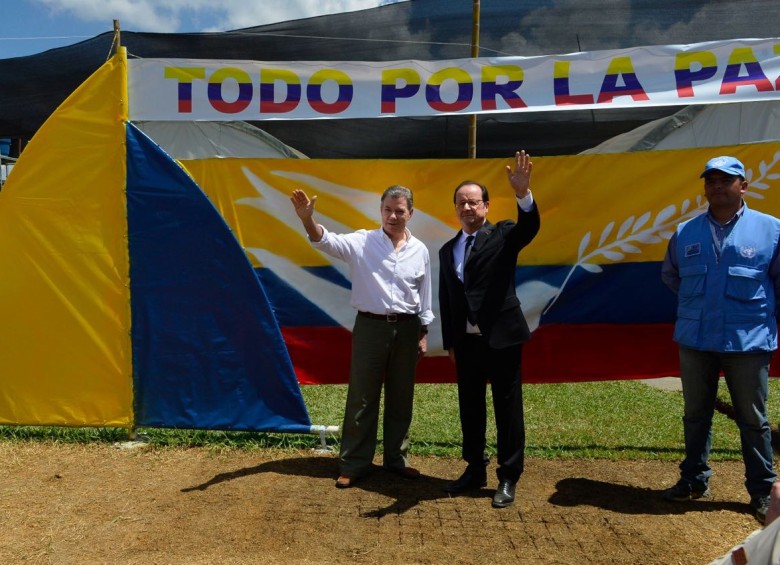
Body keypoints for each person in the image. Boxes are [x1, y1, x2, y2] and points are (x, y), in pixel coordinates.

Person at [290, 184, 434, 489]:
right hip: (371, 327)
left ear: (411, 213)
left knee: (401, 395)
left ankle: (397, 460)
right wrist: (306, 219)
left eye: (400, 210)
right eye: (387, 210)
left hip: (408, 329)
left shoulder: (419, 250)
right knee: (363, 397)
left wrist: (423, 331)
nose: (393, 216)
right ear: (380, 211)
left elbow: (424, 294)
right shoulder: (362, 241)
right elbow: (324, 240)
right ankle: (354, 463)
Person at [661, 155, 780, 523]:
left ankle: (762, 491)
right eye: (710, 180)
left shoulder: (771, 230)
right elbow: (672, 276)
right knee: (695, 415)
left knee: (753, 419)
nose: (717, 186)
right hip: (696, 340)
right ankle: (694, 480)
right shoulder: (685, 232)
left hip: (747, 341)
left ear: (743, 185)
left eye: (726, 180)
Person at [438, 150, 541, 508]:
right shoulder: (447, 249)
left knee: (507, 409)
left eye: (474, 202)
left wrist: (523, 194)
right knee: (470, 407)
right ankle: (474, 468)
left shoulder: (503, 234)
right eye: (461, 203)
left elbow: (529, 228)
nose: (468, 208)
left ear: (486, 206)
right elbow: (448, 299)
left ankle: (508, 476)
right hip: (466, 345)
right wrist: (450, 341)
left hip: (502, 339)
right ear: (456, 208)